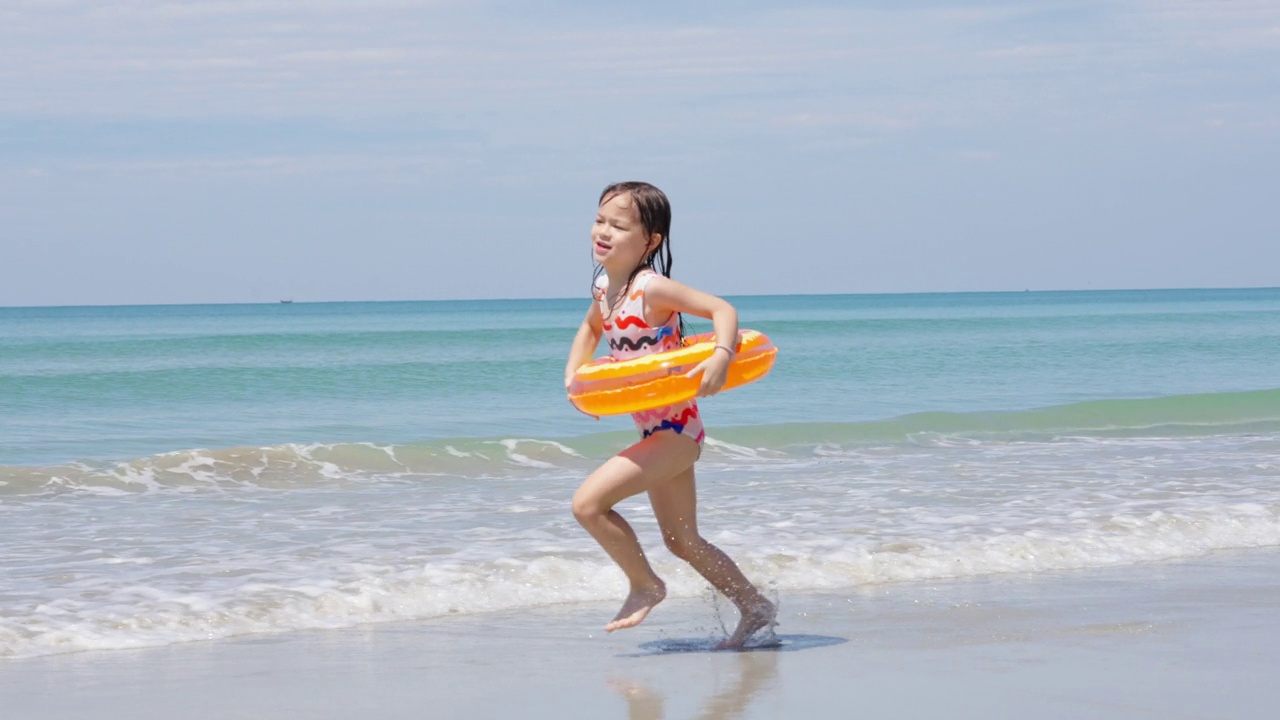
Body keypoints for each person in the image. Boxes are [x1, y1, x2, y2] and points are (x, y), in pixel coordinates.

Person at [564, 181, 776, 649]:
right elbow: (590, 327)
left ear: (650, 241)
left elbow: (721, 309)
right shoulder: (605, 287)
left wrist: (720, 355)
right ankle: (755, 604)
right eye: (600, 220)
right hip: (656, 429)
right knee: (684, 541)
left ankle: (645, 585)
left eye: (619, 225)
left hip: (675, 432)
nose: (603, 231)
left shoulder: (650, 288)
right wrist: (575, 380)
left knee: (587, 505)